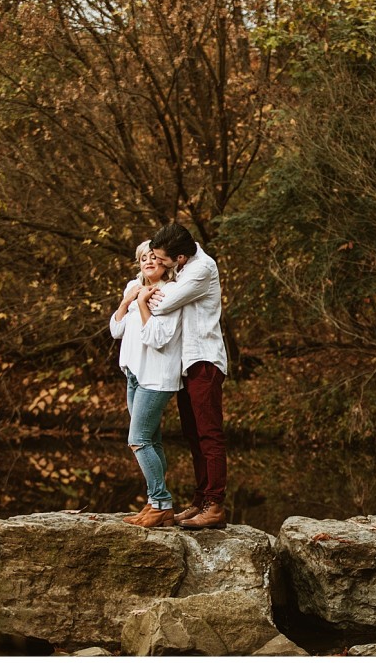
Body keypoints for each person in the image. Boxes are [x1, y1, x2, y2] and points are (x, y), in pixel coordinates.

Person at [147, 222, 229, 529]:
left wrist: (147, 296)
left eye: (162, 258)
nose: (158, 262)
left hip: (205, 360)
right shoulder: (183, 268)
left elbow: (163, 305)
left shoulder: (201, 269)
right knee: (193, 435)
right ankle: (200, 501)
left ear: (180, 257)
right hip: (187, 363)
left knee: (209, 434)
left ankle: (215, 505)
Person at [109, 240, 183, 528]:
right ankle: (155, 504)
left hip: (156, 376)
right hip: (134, 373)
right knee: (151, 440)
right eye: (143, 258)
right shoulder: (133, 286)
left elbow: (158, 338)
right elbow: (116, 330)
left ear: (164, 262)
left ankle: (161, 502)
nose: (149, 262)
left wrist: (142, 305)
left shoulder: (170, 292)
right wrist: (127, 301)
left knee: (138, 440)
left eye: (154, 257)